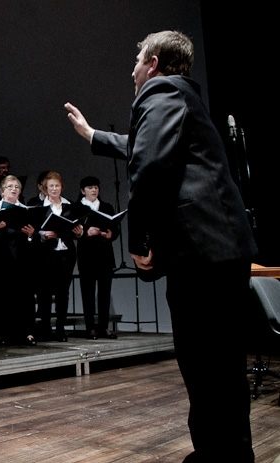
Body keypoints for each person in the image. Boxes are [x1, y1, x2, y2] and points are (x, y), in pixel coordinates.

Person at [64, 30, 257, 462]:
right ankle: (229, 455)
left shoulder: (160, 91)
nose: (132, 71)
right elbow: (145, 147)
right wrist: (93, 135)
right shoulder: (181, 94)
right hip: (220, 247)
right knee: (221, 366)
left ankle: (217, 456)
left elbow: (149, 166)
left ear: (152, 63)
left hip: (200, 251)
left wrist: (139, 240)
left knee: (205, 364)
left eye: (137, 61)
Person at [34, 171, 83, 342]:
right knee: (44, 292)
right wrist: (43, 234)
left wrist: (79, 232)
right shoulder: (39, 207)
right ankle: (45, 329)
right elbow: (35, 229)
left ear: (62, 187)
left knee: (63, 292)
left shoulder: (70, 206)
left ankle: (60, 329)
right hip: (46, 253)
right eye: (51, 186)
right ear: (45, 188)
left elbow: (76, 228)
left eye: (57, 186)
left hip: (66, 254)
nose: (54, 189)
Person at [0, 175, 38, 346]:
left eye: (17, 187)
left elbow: (33, 237)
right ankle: (4, 333)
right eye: (10, 186)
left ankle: (28, 333)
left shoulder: (26, 210)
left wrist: (31, 235)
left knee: (25, 296)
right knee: (4, 296)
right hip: (2, 259)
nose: (14, 189)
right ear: (2, 190)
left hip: (23, 259)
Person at [69, 176, 118, 340]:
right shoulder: (77, 208)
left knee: (105, 292)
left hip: (105, 254)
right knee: (88, 293)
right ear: (83, 191)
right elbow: (71, 231)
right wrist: (85, 233)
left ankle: (104, 327)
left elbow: (115, 228)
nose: (94, 190)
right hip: (87, 255)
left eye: (96, 187)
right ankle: (90, 327)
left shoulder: (106, 206)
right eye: (90, 188)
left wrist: (111, 234)